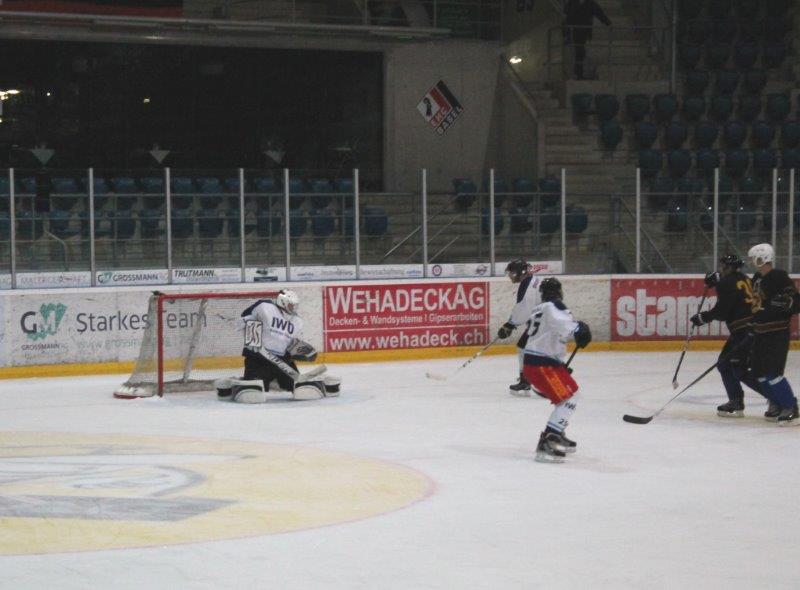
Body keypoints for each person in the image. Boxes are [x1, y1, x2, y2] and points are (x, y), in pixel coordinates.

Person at [215, 290, 340, 402]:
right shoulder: (265, 306)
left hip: (282, 362)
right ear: (283, 302)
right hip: (258, 359)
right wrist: (245, 325)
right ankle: (231, 387)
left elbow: (290, 342)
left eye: (295, 305)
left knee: (302, 389)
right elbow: (245, 317)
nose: (293, 308)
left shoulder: (297, 321)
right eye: (291, 305)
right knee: (251, 392)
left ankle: (322, 385)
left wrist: (299, 349)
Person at [521, 278, 592, 463]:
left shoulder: (538, 308)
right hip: (542, 364)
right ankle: (549, 439)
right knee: (569, 398)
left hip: (540, 362)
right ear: (559, 291)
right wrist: (579, 328)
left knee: (570, 393)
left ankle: (556, 432)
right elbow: (563, 325)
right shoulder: (553, 306)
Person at [690, 255, 761, 417]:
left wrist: (703, 318)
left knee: (738, 368)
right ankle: (736, 401)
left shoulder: (726, 283)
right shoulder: (744, 278)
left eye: (723, 266)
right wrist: (719, 282)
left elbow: (722, 312)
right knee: (725, 365)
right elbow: (735, 293)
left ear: (729, 268)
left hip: (743, 331)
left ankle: (774, 398)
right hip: (749, 329)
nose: (720, 269)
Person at [746, 243, 799, 425]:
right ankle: (776, 402)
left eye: (754, 258)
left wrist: (785, 302)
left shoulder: (779, 276)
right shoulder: (756, 278)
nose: (752, 262)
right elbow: (755, 304)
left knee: (773, 373)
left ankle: (790, 407)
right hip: (760, 332)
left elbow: (796, 301)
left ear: (762, 258)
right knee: (759, 373)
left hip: (777, 333)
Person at [497, 259, 542, 396]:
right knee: (526, 346)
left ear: (520, 272)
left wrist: (510, 324)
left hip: (543, 322)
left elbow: (524, 309)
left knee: (524, 347)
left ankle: (527, 380)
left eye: (512, 273)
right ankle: (527, 378)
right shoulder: (532, 280)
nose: (510, 276)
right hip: (544, 320)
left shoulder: (527, 287)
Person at [563, 0, 612, 80]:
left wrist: (608, 23)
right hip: (574, 30)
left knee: (580, 51)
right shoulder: (574, 3)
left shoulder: (589, 3)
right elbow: (566, 17)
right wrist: (565, 32)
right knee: (579, 51)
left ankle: (578, 73)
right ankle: (578, 73)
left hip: (582, 31)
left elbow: (600, 14)